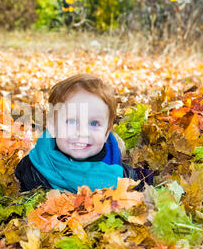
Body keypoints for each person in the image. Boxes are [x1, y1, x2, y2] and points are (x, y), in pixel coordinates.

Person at [15, 73, 153, 193]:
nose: (82, 132)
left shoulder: (117, 173)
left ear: (106, 134)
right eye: (71, 122)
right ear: (53, 126)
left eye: (93, 123)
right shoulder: (36, 165)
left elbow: (140, 181)